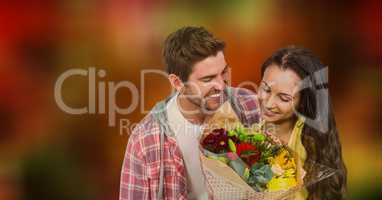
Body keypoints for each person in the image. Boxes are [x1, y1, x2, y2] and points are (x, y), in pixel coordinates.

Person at [119, 26, 260, 200]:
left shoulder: (250, 105)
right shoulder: (145, 140)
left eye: (223, 72)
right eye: (207, 79)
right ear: (177, 82)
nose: (221, 85)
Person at [258, 46, 347, 199]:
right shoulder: (240, 124)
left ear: (303, 102)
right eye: (266, 89)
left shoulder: (310, 149)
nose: (268, 104)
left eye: (284, 98)